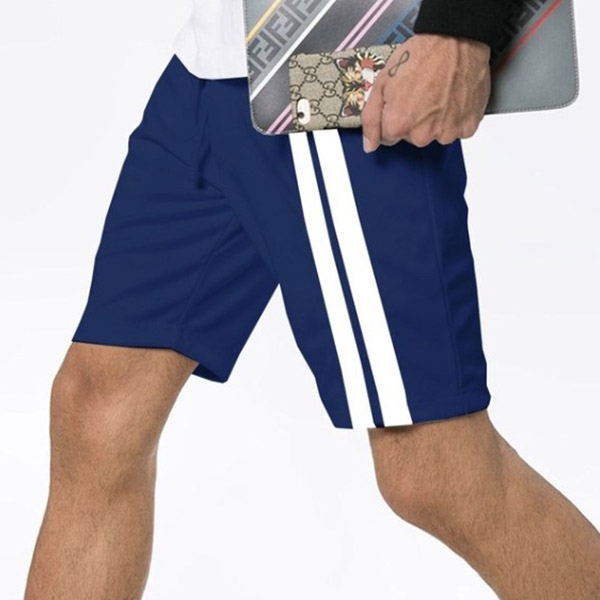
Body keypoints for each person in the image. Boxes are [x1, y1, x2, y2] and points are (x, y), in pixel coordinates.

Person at [23, 0, 600, 598]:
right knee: (98, 411)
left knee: (434, 466)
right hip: (213, 65)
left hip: (338, 63)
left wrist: (460, 26)